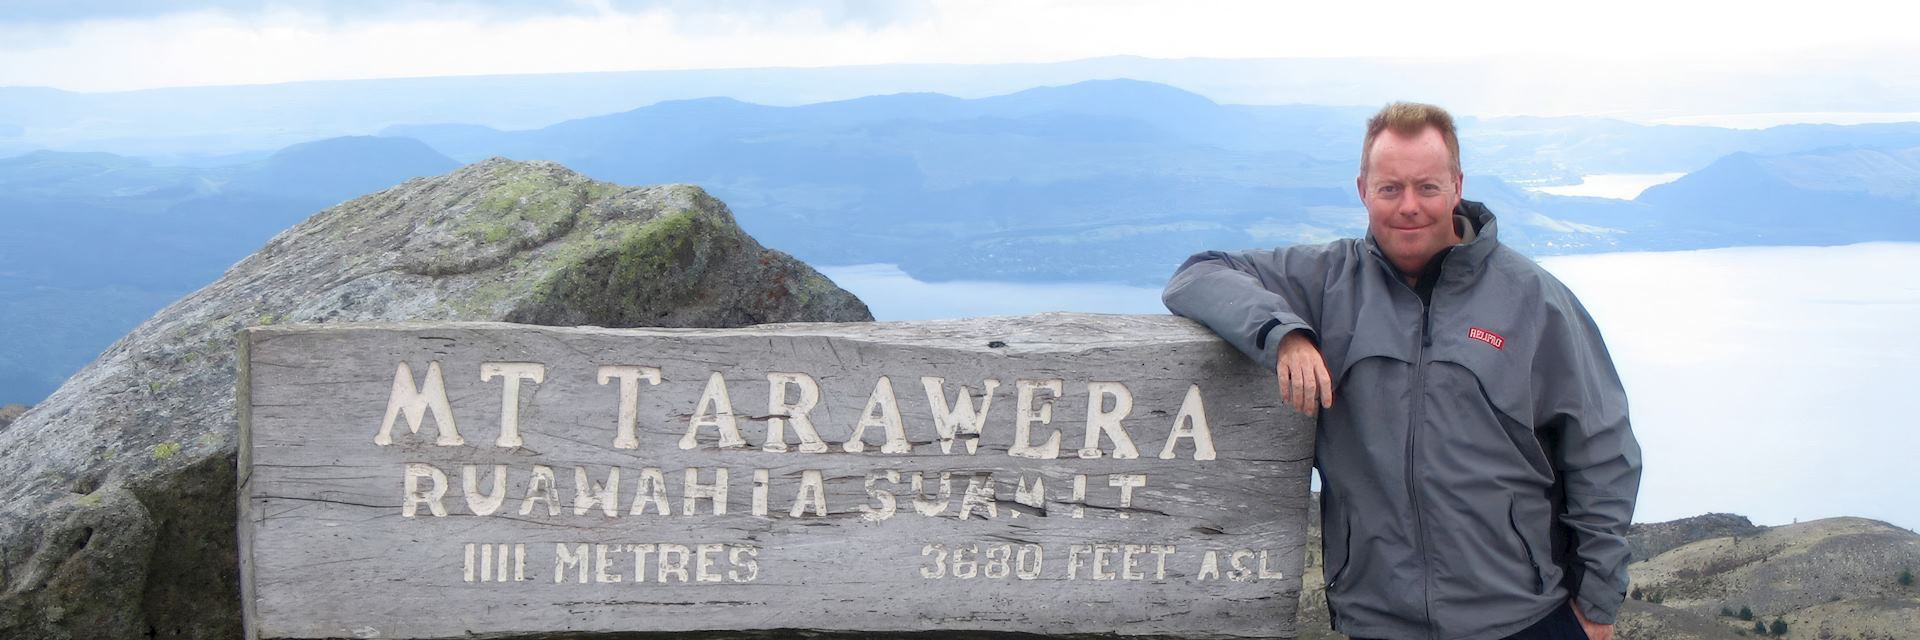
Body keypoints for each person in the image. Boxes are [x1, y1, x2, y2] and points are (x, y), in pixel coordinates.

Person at [1162, 102, 1641, 640]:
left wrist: (1597, 605)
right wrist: (1285, 335)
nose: (1409, 206)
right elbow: (1196, 275)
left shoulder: (1534, 300)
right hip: (1379, 621)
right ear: (1363, 189)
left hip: (1523, 618)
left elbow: (1603, 450)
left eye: (1427, 187)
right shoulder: (1324, 284)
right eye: (1390, 188)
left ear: (1456, 186)